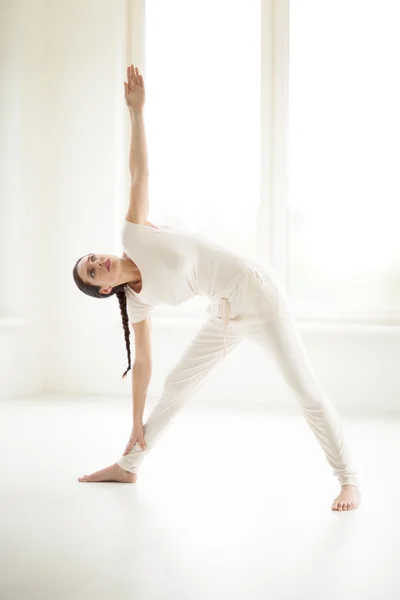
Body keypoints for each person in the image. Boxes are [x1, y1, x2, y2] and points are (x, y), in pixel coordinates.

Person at [72, 64, 361, 512]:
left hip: (257, 293)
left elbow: (138, 175)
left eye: (92, 258)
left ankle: (349, 481)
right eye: (92, 273)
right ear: (104, 290)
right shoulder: (139, 302)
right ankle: (129, 465)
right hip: (224, 311)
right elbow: (144, 362)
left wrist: (137, 114)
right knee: (175, 385)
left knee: (304, 390)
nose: (98, 263)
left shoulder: (135, 234)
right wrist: (134, 422)